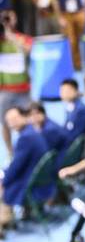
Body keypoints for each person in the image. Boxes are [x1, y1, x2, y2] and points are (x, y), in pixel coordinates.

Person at [0, 107, 51, 226]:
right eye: (9, 120)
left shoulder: (25, 138)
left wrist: (3, 181)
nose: (12, 122)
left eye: (15, 118)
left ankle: (4, 221)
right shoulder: (31, 131)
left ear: (24, 117)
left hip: (32, 184)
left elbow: (16, 167)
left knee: (4, 185)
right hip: (38, 177)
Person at [0, 19, 33, 156]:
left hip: (23, 90)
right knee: (5, 124)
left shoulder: (23, 38)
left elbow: (28, 50)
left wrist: (11, 37)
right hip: (5, 90)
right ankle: (10, 153)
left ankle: (31, 150)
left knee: (29, 121)